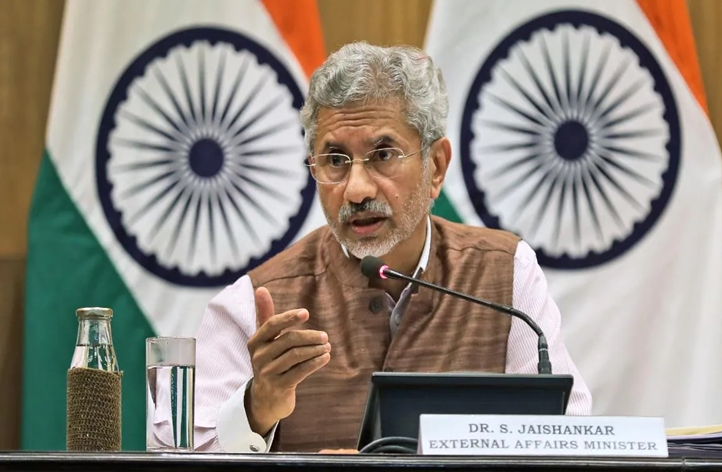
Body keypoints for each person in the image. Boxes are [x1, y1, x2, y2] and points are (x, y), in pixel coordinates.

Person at [181, 41, 592, 453]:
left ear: (436, 166)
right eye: (336, 160)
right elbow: (183, 459)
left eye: (383, 154)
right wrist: (257, 408)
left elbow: (565, 442)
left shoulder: (507, 274)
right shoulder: (255, 302)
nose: (356, 190)